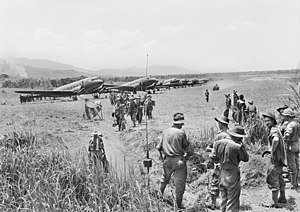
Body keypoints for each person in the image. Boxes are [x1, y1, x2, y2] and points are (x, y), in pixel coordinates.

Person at [210, 125, 249, 212]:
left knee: (224, 198)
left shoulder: (218, 143)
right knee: (232, 201)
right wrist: (243, 147)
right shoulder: (237, 146)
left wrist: (221, 160)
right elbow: (246, 158)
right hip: (232, 174)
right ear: (239, 137)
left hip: (221, 172)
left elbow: (212, 157)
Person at [156, 113, 189, 209]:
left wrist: (162, 156)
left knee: (165, 178)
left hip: (167, 160)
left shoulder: (165, 132)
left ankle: (159, 196)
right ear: (180, 123)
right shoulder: (181, 133)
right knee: (180, 184)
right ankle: (178, 206)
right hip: (179, 160)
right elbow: (185, 146)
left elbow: (159, 147)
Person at [262, 111, 287, 208]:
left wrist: (271, 151)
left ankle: (274, 202)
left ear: (273, 120)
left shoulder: (273, 130)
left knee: (272, 178)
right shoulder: (276, 129)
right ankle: (283, 197)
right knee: (279, 178)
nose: (266, 123)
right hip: (280, 159)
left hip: (276, 159)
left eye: (268, 121)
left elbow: (275, 139)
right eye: (265, 121)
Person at [206, 115, 231, 210]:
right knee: (228, 184)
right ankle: (227, 204)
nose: (218, 124)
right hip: (231, 164)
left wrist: (214, 150)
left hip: (220, 163)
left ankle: (213, 204)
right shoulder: (233, 134)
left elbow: (208, 148)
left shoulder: (220, 135)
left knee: (215, 182)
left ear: (222, 124)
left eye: (219, 123)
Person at [281, 108, 300, 189]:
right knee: (296, 163)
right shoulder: (297, 123)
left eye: (285, 116)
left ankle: (293, 183)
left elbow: (288, 134)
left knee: (291, 165)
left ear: (287, 116)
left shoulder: (290, 124)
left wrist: (284, 139)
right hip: (297, 144)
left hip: (291, 145)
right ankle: (297, 181)